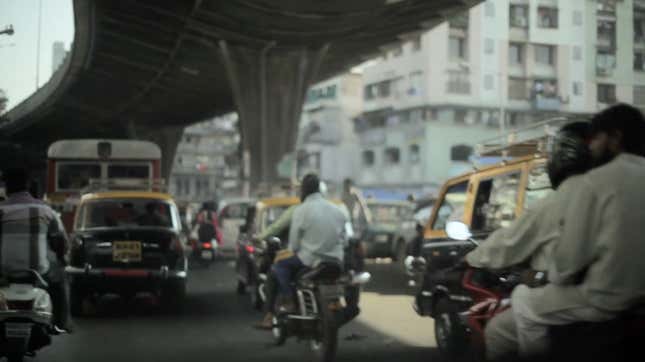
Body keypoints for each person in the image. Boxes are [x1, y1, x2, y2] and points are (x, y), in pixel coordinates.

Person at [484, 104, 645, 361]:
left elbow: (569, 264)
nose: (590, 149)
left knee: (524, 302)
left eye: (595, 140)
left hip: (606, 301)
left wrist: (546, 276)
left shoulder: (595, 182)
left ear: (614, 138)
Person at [0, 168, 72, 332]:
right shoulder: (46, 211)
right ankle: (61, 323)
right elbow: (60, 242)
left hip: (3, 271)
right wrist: (62, 260)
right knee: (60, 281)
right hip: (39, 272)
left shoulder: (1, 210)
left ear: (7, 187)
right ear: (27, 185)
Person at [272, 174, 347, 312]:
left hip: (310, 260)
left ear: (304, 190)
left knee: (279, 267)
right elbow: (345, 241)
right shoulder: (338, 210)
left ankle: (289, 301)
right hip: (337, 260)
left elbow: (294, 246)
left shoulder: (301, 210)